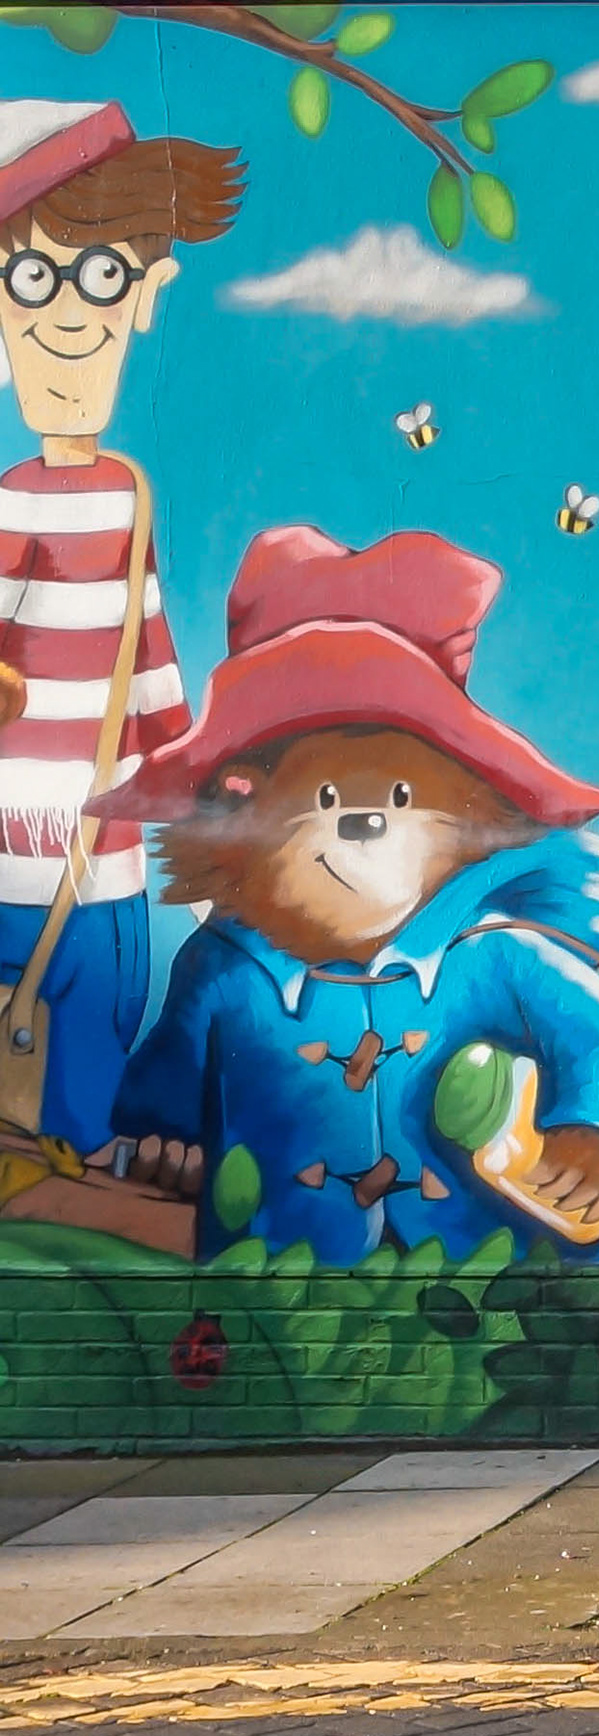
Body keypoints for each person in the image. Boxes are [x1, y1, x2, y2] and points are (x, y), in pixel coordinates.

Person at [0, 101, 237, 1152]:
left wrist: (190, 785)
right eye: (30, 280)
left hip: (106, 857)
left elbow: (149, 662)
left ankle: (71, 1183)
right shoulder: (10, 502)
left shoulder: (132, 493)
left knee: (98, 1021)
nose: (62, 318)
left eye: (98, 278)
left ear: (144, 296)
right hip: (10, 852)